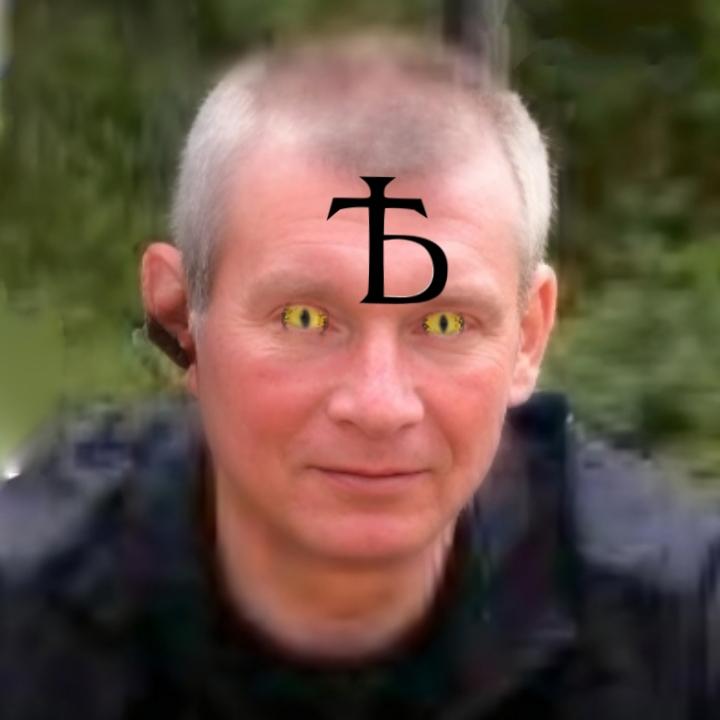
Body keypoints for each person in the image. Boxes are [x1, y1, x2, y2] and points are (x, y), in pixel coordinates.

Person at [1, 32, 719, 720]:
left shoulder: (680, 635)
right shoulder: (24, 618)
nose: (379, 405)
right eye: (307, 320)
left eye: (444, 325)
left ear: (528, 336)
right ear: (177, 320)